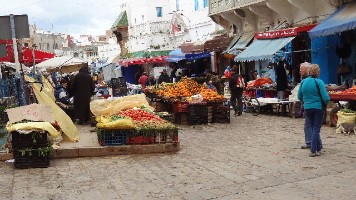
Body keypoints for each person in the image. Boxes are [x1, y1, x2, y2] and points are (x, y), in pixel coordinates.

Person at [298, 64, 330, 157]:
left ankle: (318, 148)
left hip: (307, 108)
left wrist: (306, 101)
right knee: (316, 128)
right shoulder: (319, 82)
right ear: (317, 72)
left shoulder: (303, 82)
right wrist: (325, 102)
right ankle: (313, 150)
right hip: (318, 107)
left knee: (312, 128)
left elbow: (299, 96)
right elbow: (325, 97)